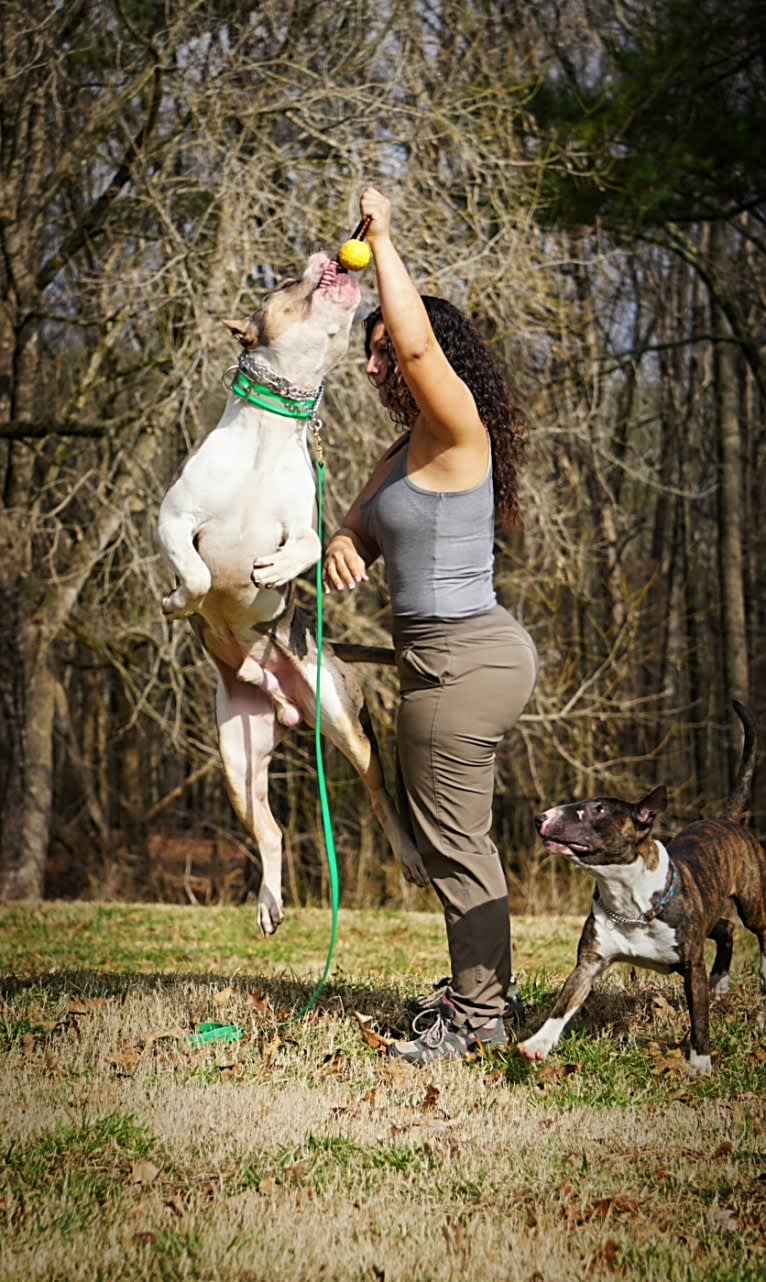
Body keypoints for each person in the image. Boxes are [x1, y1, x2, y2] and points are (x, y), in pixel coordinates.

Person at [323, 188, 538, 1063]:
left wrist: (382, 237)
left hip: (466, 661)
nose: (376, 368)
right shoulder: (399, 455)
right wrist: (345, 540)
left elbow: (414, 340)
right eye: (372, 357)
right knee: (457, 836)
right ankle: (487, 992)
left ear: (430, 360)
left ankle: (480, 1019)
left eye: (384, 355)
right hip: (435, 665)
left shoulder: (457, 427)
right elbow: (361, 523)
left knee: (453, 840)